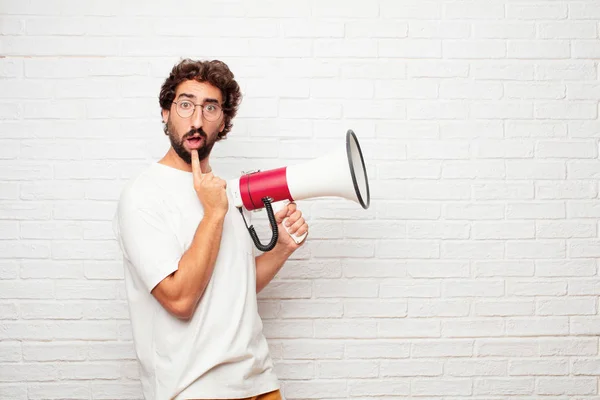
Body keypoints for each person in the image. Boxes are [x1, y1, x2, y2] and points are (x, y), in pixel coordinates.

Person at [112, 58, 308, 400]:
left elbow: (235, 285)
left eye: (211, 108)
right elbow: (180, 299)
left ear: (224, 123)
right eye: (186, 104)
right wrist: (213, 215)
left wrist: (281, 249)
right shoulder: (142, 196)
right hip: (194, 389)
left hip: (260, 381)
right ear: (165, 112)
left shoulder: (221, 192)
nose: (197, 120)